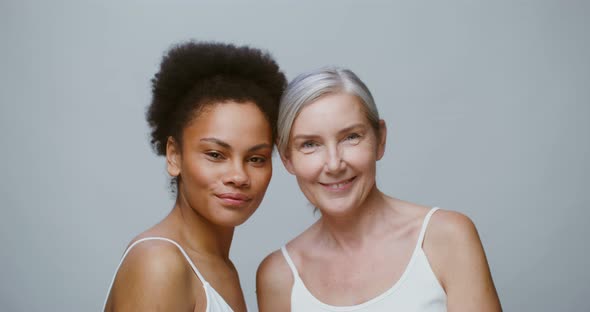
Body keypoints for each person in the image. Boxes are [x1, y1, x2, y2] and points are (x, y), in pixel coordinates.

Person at [256, 67, 502, 311]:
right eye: (310, 144)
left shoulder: (446, 237)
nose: (333, 164)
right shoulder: (279, 277)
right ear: (287, 157)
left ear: (380, 139)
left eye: (351, 137)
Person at [103, 41, 286, 312]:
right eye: (215, 154)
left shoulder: (220, 266)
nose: (239, 176)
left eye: (256, 159)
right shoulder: (159, 264)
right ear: (175, 155)